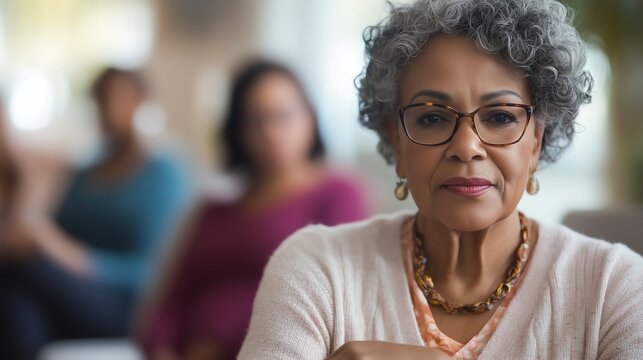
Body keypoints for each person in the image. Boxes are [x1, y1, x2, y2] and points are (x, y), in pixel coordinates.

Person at [239, 1, 643, 359]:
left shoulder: (614, 287)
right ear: (396, 140)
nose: (466, 147)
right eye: (431, 117)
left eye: (500, 116)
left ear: (536, 139)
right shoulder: (317, 270)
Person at [140, 61, 368, 360]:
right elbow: (173, 300)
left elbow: (329, 300)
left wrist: (218, 337)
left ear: (310, 118)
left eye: (283, 116)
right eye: (255, 120)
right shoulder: (213, 211)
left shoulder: (337, 193)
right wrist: (160, 348)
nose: (271, 131)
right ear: (238, 131)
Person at [0, 68, 187, 360]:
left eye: (119, 97)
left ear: (142, 101)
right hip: (69, 296)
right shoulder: (84, 173)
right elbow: (56, 232)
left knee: (23, 270)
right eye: (101, 99)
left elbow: (153, 271)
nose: (109, 108)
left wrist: (80, 261)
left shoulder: (164, 173)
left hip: (128, 306)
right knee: (16, 301)